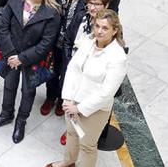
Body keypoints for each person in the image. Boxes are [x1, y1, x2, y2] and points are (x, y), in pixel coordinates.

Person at [0, 0, 61, 144]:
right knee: (9, 85)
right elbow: (3, 28)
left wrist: (22, 58)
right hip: (10, 54)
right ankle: (6, 114)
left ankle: (21, 122)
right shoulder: (15, 1)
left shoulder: (53, 13)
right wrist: (11, 54)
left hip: (33, 59)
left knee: (28, 91)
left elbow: (46, 43)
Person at [49, 10, 128, 167]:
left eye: (105, 28)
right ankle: (68, 161)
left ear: (115, 31)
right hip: (72, 101)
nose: (99, 31)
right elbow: (73, 69)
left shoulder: (118, 57)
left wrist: (78, 108)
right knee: (72, 133)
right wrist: (68, 97)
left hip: (94, 110)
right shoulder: (88, 41)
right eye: (97, 26)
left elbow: (106, 93)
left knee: (87, 145)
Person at [41, 0, 92, 117]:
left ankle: (62, 99)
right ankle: (50, 97)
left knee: (68, 74)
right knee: (52, 72)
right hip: (52, 40)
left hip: (72, 44)